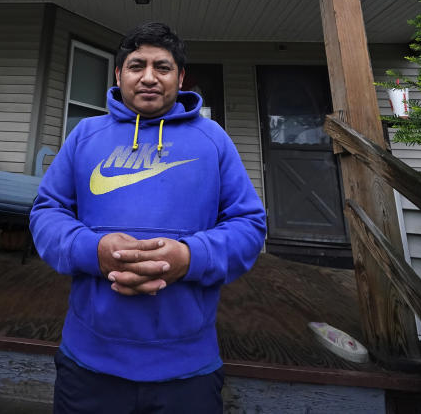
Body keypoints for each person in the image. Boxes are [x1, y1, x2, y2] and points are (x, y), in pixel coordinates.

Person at [30, 22, 266, 414]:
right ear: (119, 73)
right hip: (89, 361)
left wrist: (189, 258)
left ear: (181, 77)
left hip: (187, 367)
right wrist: (95, 251)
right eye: (137, 65)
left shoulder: (213, 139)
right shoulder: (84, 135)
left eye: (163, 67)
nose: (149, 77)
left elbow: (249, 225)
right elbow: (47, 212)